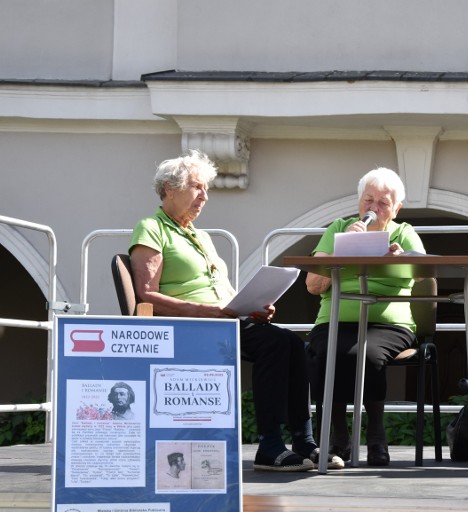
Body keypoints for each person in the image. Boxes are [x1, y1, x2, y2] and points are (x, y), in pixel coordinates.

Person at [130, 149, 339, 473]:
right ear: (170, 188)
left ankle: (304, 441)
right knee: (274, 344)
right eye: (198, 187)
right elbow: (146, 295)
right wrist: (207, 311)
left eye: (206, 189)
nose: (205, 196)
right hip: (188, 327)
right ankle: (270, 445)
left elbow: (223, 290)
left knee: (294, 343)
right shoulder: (151, 227)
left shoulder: (199, 236)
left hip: (220, 322)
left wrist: (252, 305)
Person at [306, 167, 425, 467]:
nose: (373, 208)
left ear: (396, 209)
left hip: (388, 325)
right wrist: (341, 248)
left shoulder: (403, 232)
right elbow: (313, 285)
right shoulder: (338, 228)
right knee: (326, 351)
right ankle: (337, 438)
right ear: (359, 201)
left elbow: (424, 273)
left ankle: (376, 435)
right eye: (368, 199)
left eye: (383, 203)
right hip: (334, 320)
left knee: (367, 353)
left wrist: (399, 261)